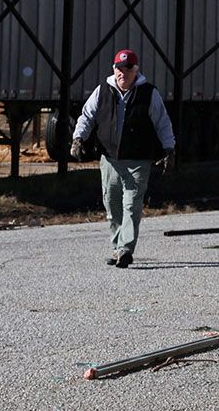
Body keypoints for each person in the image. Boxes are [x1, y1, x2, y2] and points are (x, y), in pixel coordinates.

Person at [69, 48, 178, 268]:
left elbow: (162, 122)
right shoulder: (102, 91)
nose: (123, 73)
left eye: (128, 68)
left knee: (131, 205)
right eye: (119, 68)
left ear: (136, 70)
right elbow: (87, 116)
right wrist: (78, 138)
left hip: (138, 161)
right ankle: (118, 247)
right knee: (112, 205)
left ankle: (126, 250)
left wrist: (169, 149)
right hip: (110, 160)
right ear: (114, 69)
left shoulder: (149, 93)